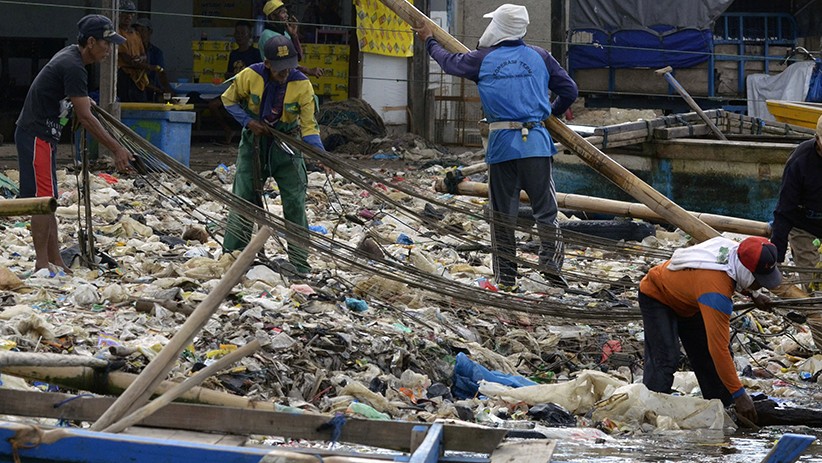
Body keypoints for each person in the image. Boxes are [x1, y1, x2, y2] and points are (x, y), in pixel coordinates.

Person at [414, 4, 578, 291]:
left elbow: (449, 62)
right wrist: (549, 113)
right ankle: (550, 265)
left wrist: (429, 40)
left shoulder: (482, 59)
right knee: (546, 211)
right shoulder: (541, 57)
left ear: (498, 27)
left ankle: (507, 278)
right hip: (537, 144)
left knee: (502, 216)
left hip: (503, 146)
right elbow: (570, 90)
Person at [15, 14, 133, 273]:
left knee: (49, 199)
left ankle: (56, 261)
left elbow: (77, 100)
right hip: (36, 135)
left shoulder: (73, 58)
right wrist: (117, 149)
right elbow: (86, 118)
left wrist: (83, 101)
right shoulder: (73, 65)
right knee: (42, 201)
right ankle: (41, 265)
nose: (109, 50)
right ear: (91, 42)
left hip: (45, 136)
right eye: (106, 43)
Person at [639, 236, 783, 426]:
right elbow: (719, 349)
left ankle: (725, 411)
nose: (763, 284)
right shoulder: (716, 294)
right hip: (658, 295)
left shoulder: (737, 251)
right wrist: (740, 394)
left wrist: (754, 293)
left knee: (706, 359)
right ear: (746, 272)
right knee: (665, 359)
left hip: (690, 300)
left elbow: (737, 272)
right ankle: (649, 420)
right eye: (759, 281)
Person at [220, 35, 326, 276]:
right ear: (267, 64)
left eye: (289, 67)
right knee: (243, 198)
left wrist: (320, 155)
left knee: (295, 202)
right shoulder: (250, 75)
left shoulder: (302, 85)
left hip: (286, 145)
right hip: (254, 143)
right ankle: (233, 256)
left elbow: (309, 126)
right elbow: (228, 100)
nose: (285, 73)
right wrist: (248, 122)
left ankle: (299, 264)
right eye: (280, 69)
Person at [770, 114, 822, 291]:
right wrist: (777, 255)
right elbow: (785, 209)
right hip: (804, 225)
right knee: (814, 283)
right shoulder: (800, 161)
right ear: (817, 139)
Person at [208, 20, 262, 144]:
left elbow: (259, 74)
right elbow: (229, 74)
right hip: (235, 91)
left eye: (243, 33)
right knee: (213, 105)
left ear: (249, 35)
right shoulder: (233, 54)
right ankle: (228, 130)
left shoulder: (255, 53)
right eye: (237, 33)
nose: (239, 36)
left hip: (250, 92)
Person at [259, 0, 323, 78]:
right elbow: (282, 63)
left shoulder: (285, 34)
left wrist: (294, 35)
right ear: (273, 16)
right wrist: (307, 70)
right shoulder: (267, 35)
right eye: (283, 13)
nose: (287, 16)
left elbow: (298, 57)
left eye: (286, 12)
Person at [116, 0, 150, 102]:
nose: (128, 17)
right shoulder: (117, 32)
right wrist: (135, 62)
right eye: (125, 13)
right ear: (118, 14)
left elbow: (144, 54)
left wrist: (140, 59)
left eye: (131, 14)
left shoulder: (136, 34)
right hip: (124, 75)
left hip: (138, 77)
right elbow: (124, 56)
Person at [133, 17, 170, 102]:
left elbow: (161, 73)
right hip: (137, 90)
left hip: (153, 92)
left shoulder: (156, 52)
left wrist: (165, 89)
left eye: (142, 30)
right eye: (137, 31)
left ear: (150, 32)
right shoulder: (133, 51)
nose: (139, 34)